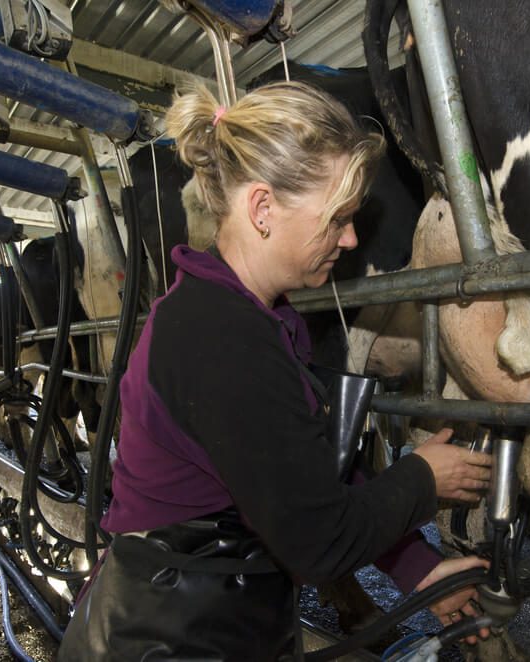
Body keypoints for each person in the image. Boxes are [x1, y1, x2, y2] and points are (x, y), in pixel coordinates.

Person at [58, 81, 493, 661]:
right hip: (168, 637)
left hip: (210, 618)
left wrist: (418, 567)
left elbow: (311, 473)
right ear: (263, 209)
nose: (351, 238)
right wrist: (420, 478)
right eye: (337, 218)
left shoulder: (256, 318)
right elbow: (319, 539)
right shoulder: (220, 336)